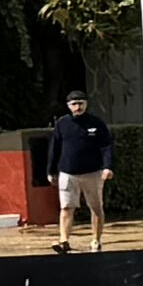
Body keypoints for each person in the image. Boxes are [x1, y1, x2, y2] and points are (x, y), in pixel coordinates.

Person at [42, 80, 114, 247]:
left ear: (86, 104)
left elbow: (106, 146)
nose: (78, 107)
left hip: (93, 172)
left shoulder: (96, 123)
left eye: (81, 103)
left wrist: (107, 166)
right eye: (74, 104)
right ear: (69, 106)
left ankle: (96, 239)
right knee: (66, 207)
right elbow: (55, 148)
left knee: (96, 208)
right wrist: (50, 171)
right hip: (68, 173)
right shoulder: (62, 124)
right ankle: (64, 240)